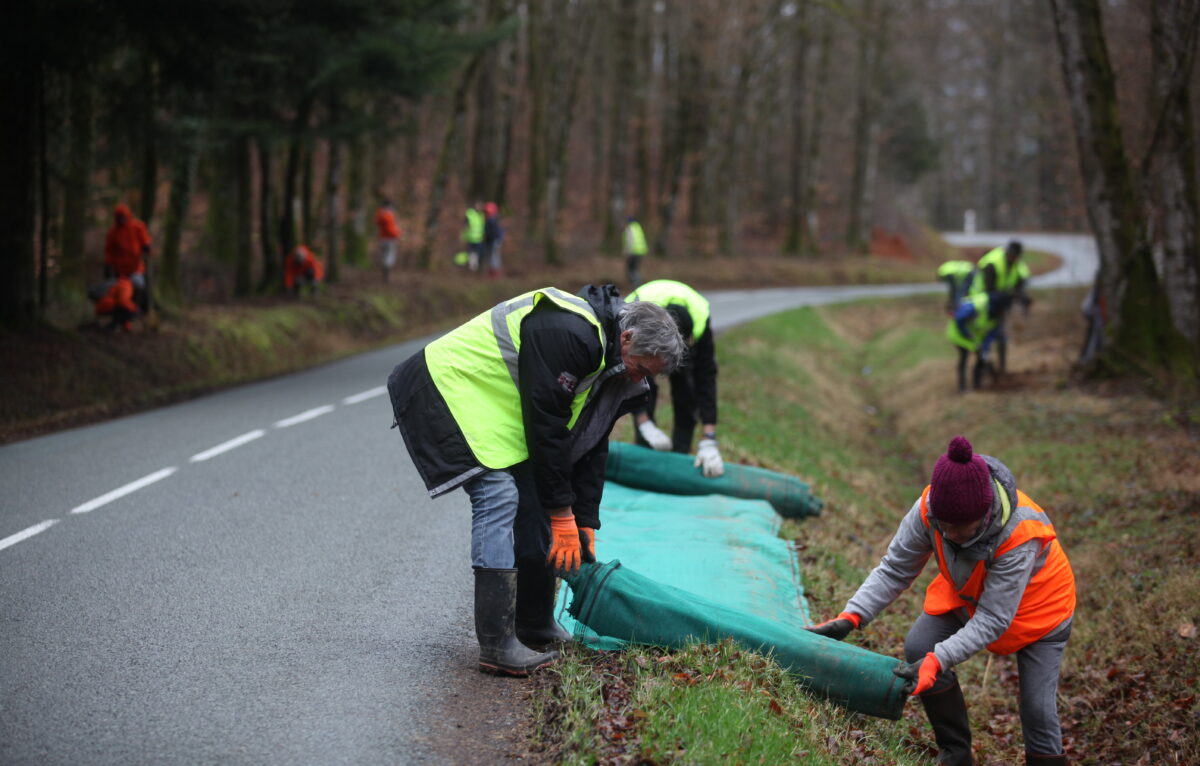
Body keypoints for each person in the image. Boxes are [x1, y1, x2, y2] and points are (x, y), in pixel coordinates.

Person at [387, 285, 685, 676]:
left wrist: (584, 518)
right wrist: (562, 513)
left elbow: (590, 443)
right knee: (498, 497)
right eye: (642, 368)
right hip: (446, 386)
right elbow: (546, 427)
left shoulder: (610, 363)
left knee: (537, 500)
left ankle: (534, 621)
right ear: (627, 338)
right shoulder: (570, 333)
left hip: (491, 407)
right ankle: (496, 643)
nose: (639, 378)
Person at [806, 436, 1075, 766]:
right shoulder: (930, 510)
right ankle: (956, 753)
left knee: (1037, 707)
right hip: (971, 595)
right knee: (921, 645)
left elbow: (993, 619)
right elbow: (895, 568)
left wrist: (940, 659)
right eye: (942, 526)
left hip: (1041, 612)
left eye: (959, 528)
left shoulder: (1020, 535)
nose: (948, 535)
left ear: (984, 515)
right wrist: (852, 615)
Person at [625, 279, 723, 478]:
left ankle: (679, 457)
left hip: (683, 328)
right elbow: (627, 374)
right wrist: (643, 421)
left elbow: (705, 377)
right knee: (643, 379)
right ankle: (644, 453)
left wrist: (709, 437)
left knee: (686, 388)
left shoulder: (700, 319)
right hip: (645, 334)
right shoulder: (637, 315)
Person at [972, 240, 1031, 374]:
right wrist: (1007, 296)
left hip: (1000, 303)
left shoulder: (1018, 266)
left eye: (1015, 257)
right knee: (983, 335)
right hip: (981, 302)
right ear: (1007, 252)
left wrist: (1021, 297)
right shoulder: (993, 263)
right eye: (1010, 255)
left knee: (1000, 335)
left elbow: (1021, 283)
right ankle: (982, 368)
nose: (1012, 258)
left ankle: (1001, 369)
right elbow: (988, 289)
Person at [948, 290, 1013, 392]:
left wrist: (985, 350)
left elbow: (990, 335)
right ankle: (962, 388)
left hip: (975, 339)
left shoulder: (996, 318)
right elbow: (959, 318)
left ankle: (977, 385)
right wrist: (966, 334)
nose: (1004, 313)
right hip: (959, 335)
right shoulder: (979, 304)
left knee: (981, 359)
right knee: (964, 358)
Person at [103, 203, 153, 315]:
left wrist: (147, 246)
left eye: (123, 217)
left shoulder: (137, 227)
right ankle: (125, 316)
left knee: (139, 286)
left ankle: (138, 311)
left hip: (136, 267)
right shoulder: (113, 233)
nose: (122, 219)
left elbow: (145, 240)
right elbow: (109, 251)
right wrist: (107, 265)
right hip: (120, 272)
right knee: (120, 294)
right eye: (120, 217)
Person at [374, 198, 402, 282]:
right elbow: (390, 229)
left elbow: (377, 224)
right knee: (389, 256)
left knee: (384, 256)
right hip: (390, 239)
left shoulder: (379, 214)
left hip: (382, 238)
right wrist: (397, 234)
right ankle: (386, 274)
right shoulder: (388, 215)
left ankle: (385, 272)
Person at [623, 216, 648, 287]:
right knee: (635, 269)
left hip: (633, 252)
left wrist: (627, 252)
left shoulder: (630, 229)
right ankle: (636, 284)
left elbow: (630, 241)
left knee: (631, 270)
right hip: (641, 251)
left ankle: (638, 285)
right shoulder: (638, 228)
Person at [462, 200, 485, 272]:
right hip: (471, 237)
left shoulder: (481, 215)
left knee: (479, 254)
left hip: (479, 238)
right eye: (478, 205)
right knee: (471, 254)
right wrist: (464, 235)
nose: (479, 207)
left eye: (480, 206)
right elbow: (465, 225)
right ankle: (472, 269)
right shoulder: (470, 213)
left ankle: (477, 269)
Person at [483, 202, 504, 278]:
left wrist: (488, 239)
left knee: (494, 257)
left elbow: (491, 232)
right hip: (495, 240)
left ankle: (494, 273)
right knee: (494, 256)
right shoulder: (494, 219)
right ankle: (494, 272)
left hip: (494, 241)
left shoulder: (492, 220)